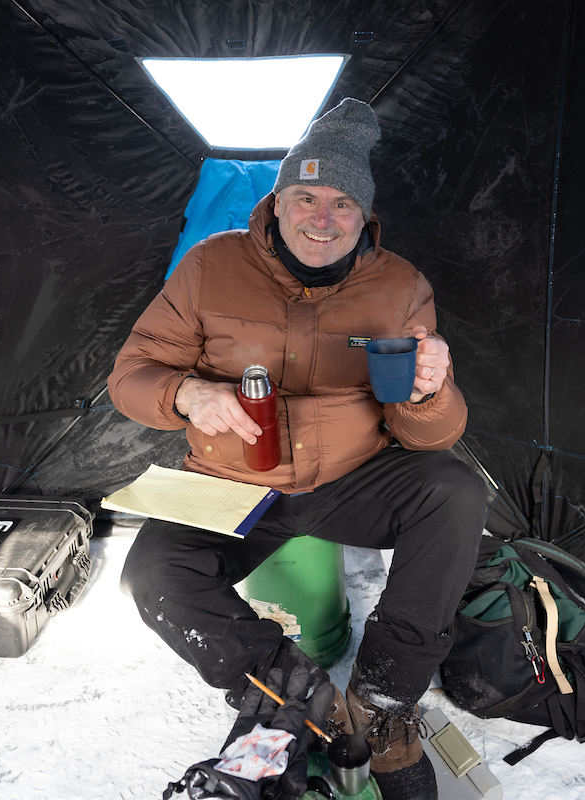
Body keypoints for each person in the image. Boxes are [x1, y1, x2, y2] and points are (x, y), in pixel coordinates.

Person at [109, 98, 487, 800]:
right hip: (233, 480)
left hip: (352, 479)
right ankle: (298, 697)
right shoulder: (209, 267)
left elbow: (430, 437)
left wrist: (432, 392)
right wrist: (187, 393)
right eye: (305, 196)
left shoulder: (400, 286)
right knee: (152, 574)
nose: (321, 217)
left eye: (341, 202)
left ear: (363, 215)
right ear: (276, 202)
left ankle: (382, 704)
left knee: (456, 491)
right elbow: (130, 378)